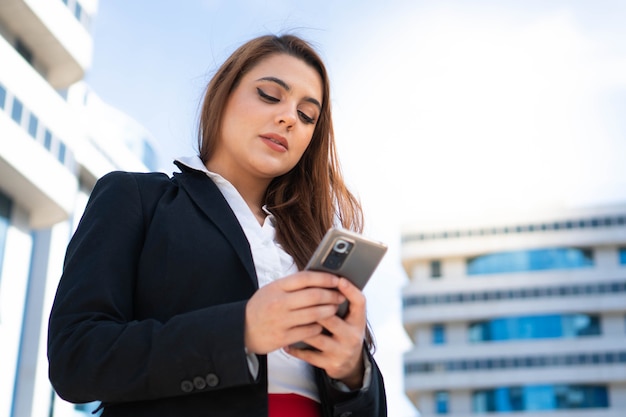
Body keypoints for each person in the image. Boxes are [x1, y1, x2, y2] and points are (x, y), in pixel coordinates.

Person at [47, 34, 387, 417]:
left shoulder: (310, 244)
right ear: (224, 95)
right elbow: (75, 357)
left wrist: (352, 373)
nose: (289, 117)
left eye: (307, 115)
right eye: (270, 95)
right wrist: (241, 330)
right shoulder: (136, 197)